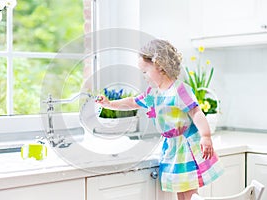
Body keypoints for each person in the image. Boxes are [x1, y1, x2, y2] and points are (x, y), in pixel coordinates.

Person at [96, 39, 224, 200]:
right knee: (181, 191)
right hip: (172, 147)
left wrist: (206, 136)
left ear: (160, 66)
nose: (143, 76)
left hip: (186, 146)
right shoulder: (153, 94)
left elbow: (196, 112)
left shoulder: (180, 90)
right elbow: (133, 102)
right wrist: (109, 104)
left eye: (145, 71)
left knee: (190, 193)